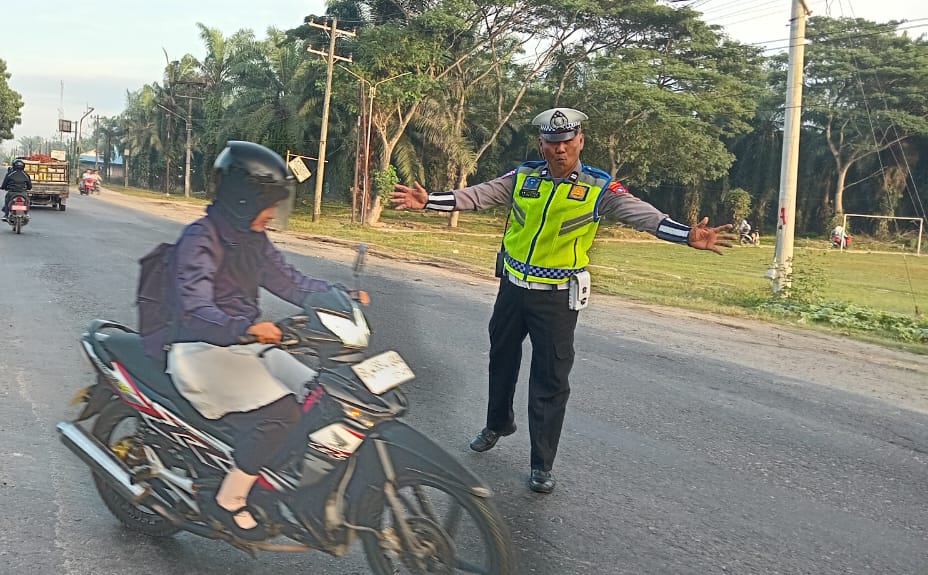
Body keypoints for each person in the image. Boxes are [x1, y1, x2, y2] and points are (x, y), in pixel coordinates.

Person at [390, 107, 732, 494]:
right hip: (513, 289)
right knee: (501, 359)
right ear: (542, 144)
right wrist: (430, 201)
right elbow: (477, 195)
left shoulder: (598, 187)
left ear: (581, 141)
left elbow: (643, 215)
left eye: (568, 142)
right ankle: (497, 424)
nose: (560, 149)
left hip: (555, 300)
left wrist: (685, 234)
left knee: (550, 379)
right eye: (553, 143)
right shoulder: (523, 177)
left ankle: (541, 462)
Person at [145, 140, 367, 540]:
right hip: (200, 351)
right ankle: (229, 499)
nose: (274, 213)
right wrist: (244, 328)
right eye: (269, 203)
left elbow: (290, 281)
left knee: (318, 394)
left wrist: (337, 297)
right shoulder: (202, 237)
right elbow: (195, 308)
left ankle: (270, 476)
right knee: (281, 415)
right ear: (244, 200)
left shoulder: (252, 239)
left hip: (242, 347)